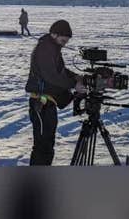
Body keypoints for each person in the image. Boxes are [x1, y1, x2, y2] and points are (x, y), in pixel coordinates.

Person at [24, 19, 84, 165]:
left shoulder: (52, 48)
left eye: (66, 41)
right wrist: (73, 84)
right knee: (42, 147)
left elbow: (60, 71)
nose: (64, 44)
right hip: (41, 103)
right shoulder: (45, 49)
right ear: (54, 34)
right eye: (63, 40)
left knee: (47, 145)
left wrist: (76, 77)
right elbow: (51, 76)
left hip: (48, 103)